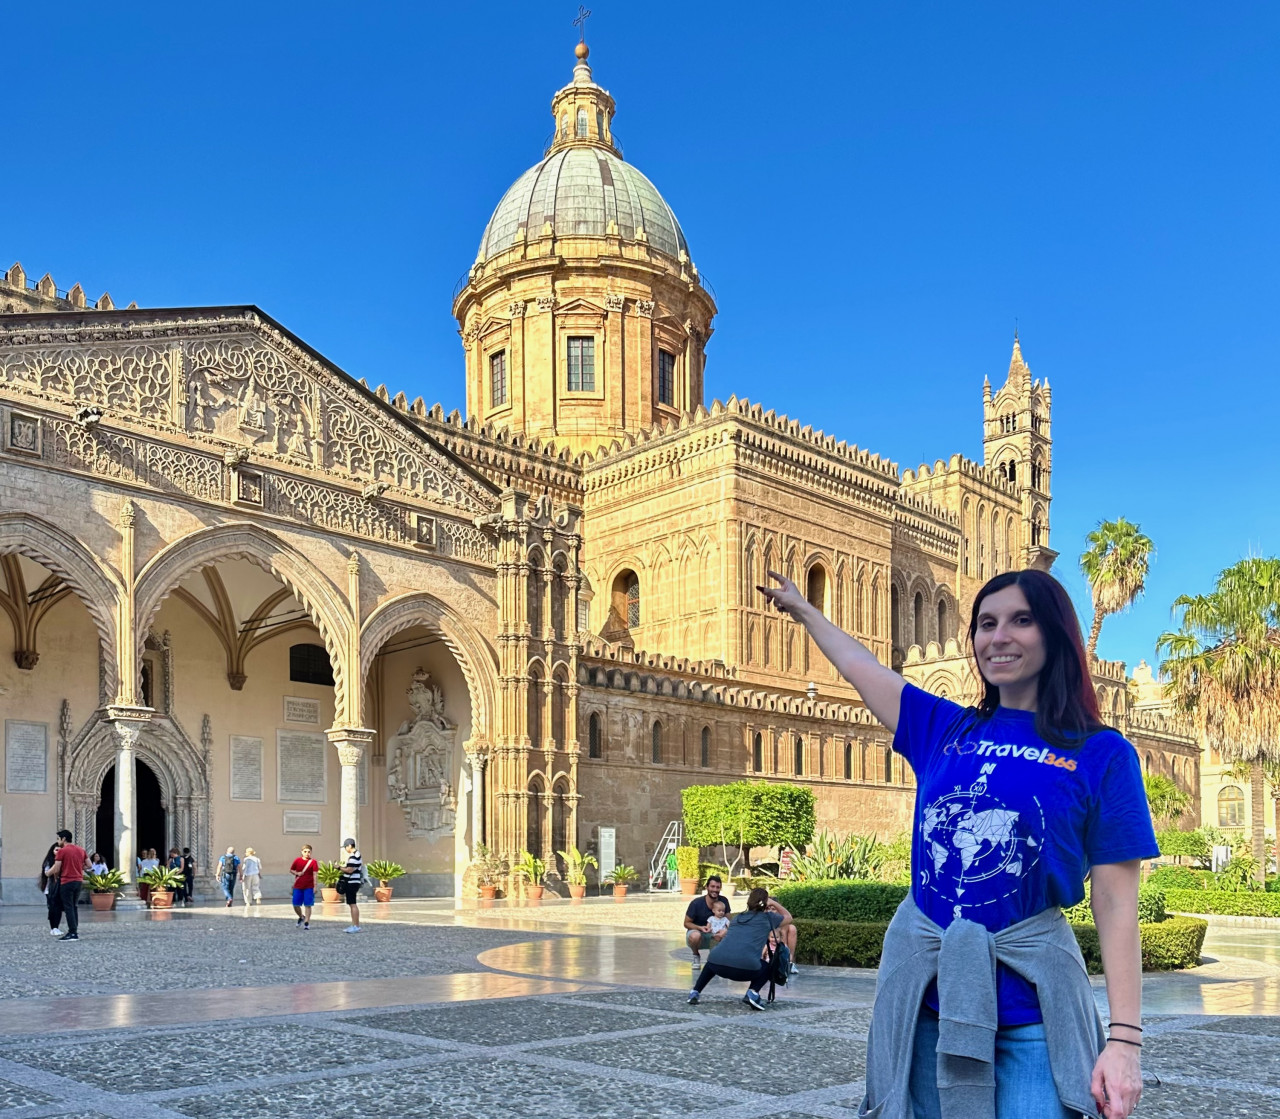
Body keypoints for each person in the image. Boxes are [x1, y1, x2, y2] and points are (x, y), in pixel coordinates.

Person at [761, 567, 1153, 1119]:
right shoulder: (944, 728)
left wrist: (1125, 1042)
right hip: (925, 1011)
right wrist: (804, 610)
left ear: (1056, 634)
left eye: (1021, 620)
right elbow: (862, 667)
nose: (999, 636)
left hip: (1033, 1018)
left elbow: (1116, 905)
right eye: (986, 623)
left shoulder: (1103, 754)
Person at [687, 886, 793, 1010]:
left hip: (718, 966)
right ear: (765, 903)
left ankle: (695, 992)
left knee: (713, 959)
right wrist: (772, 901)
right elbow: (789, 917)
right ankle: (752, 993)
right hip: (745, 970)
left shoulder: (738, 917)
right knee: (768, 966)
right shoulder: (768, 918)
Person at [683, 875, 730, 969]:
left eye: (718, 887)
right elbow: (686, 923)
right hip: (700, 933)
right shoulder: (696, 903)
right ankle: (696, 956)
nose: (715, 890)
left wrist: (725, 931)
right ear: (707, 887)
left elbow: (729, 921)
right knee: (695, 936)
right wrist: (700, 928)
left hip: (717, 933)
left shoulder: (723, 901)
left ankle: (716, 958)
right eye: (712, 886)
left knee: (730, 934)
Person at [46, 829, 86, 941]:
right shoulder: (81, 850)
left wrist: (48, 873)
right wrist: (77, 867)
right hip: (78, 881)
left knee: (68, 907)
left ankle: (72, 933)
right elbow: (89, 865)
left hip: (67, 882)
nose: (58, 841)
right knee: (74, 906)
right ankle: (74, 930)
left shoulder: (62, 851)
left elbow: (57, 868)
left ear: (63, 839)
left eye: (58, 839)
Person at [289, 844, 318, 929]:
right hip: (298, 886)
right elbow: (291, 870)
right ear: (302, 852)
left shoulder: (313, 862)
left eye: (309, 852)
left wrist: (315, 886)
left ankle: (307, 922)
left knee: (308, 904)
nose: (307, 853)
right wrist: (297, 873)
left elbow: (315, 874)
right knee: (295, 904)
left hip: (309, 886)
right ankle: (301, 916)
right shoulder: (297, 860)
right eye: (305, 851)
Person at [338, 838, 363, 933]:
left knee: (352, 904)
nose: (345, 849)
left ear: (349, 846)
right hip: (354, 881)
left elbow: (350, 870)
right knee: (352, 904)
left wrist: (339, 868)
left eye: (345, 847)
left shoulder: (353, 856)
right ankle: (354, 924)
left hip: (352, 882)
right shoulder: (357, 854)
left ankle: (356, 925)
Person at [40, 844, 62, 937]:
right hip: (51, 888)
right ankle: (53, 927)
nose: (58, 852)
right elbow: (47, 873)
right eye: (56, 850)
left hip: (60, 887)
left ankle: (56, 927)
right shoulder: (49, 861)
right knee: (52, 908)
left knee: (58, 908)